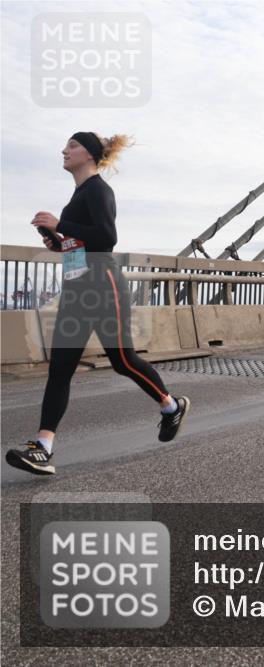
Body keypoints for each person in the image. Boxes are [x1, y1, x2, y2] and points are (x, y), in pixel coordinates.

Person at [5, 132, 190, 476]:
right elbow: (83, 242)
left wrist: (60, 225)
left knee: (122, 360)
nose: (64, 150)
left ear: (88, 155)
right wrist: (58, 243)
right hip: (76, 286)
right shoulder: (77, 195)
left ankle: (171, 405)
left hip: (102, 284)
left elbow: (106, 237)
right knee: (60, 367)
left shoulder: (99, 190)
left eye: (72, 145)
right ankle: (42, 447)